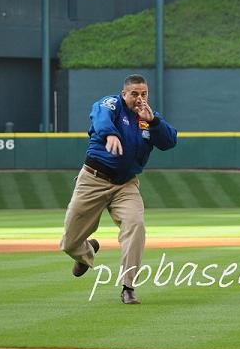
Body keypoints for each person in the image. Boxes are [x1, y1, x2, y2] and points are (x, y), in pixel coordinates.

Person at [60, 74, 177, 305]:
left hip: (126, 184)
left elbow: (169, 141)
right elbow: (100, 117)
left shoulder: (149, 118)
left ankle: (128, 287)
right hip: (93, 179)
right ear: (124, 94)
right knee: (70, 242)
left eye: (144, 94)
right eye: (134, 94)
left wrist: (154, 122)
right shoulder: (111, 104)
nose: (139, 98)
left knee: (136, 225)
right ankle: (85, 254)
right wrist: (111, 134)